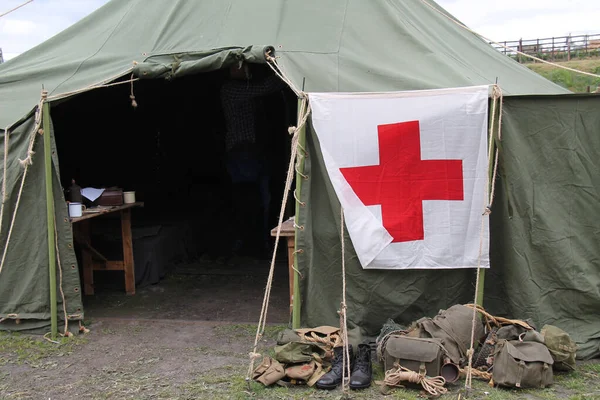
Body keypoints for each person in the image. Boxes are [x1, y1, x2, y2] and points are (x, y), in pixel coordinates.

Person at [220, 62, 287, 261]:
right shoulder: (231, 89)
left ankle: (261, 243)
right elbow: (265, 87)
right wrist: (285, 72)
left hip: (255, 150)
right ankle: (248, 244)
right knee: (248, 198)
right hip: (242, 151)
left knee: (264, 198)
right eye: (240, 66)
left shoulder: (246, 90)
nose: (244, 69)